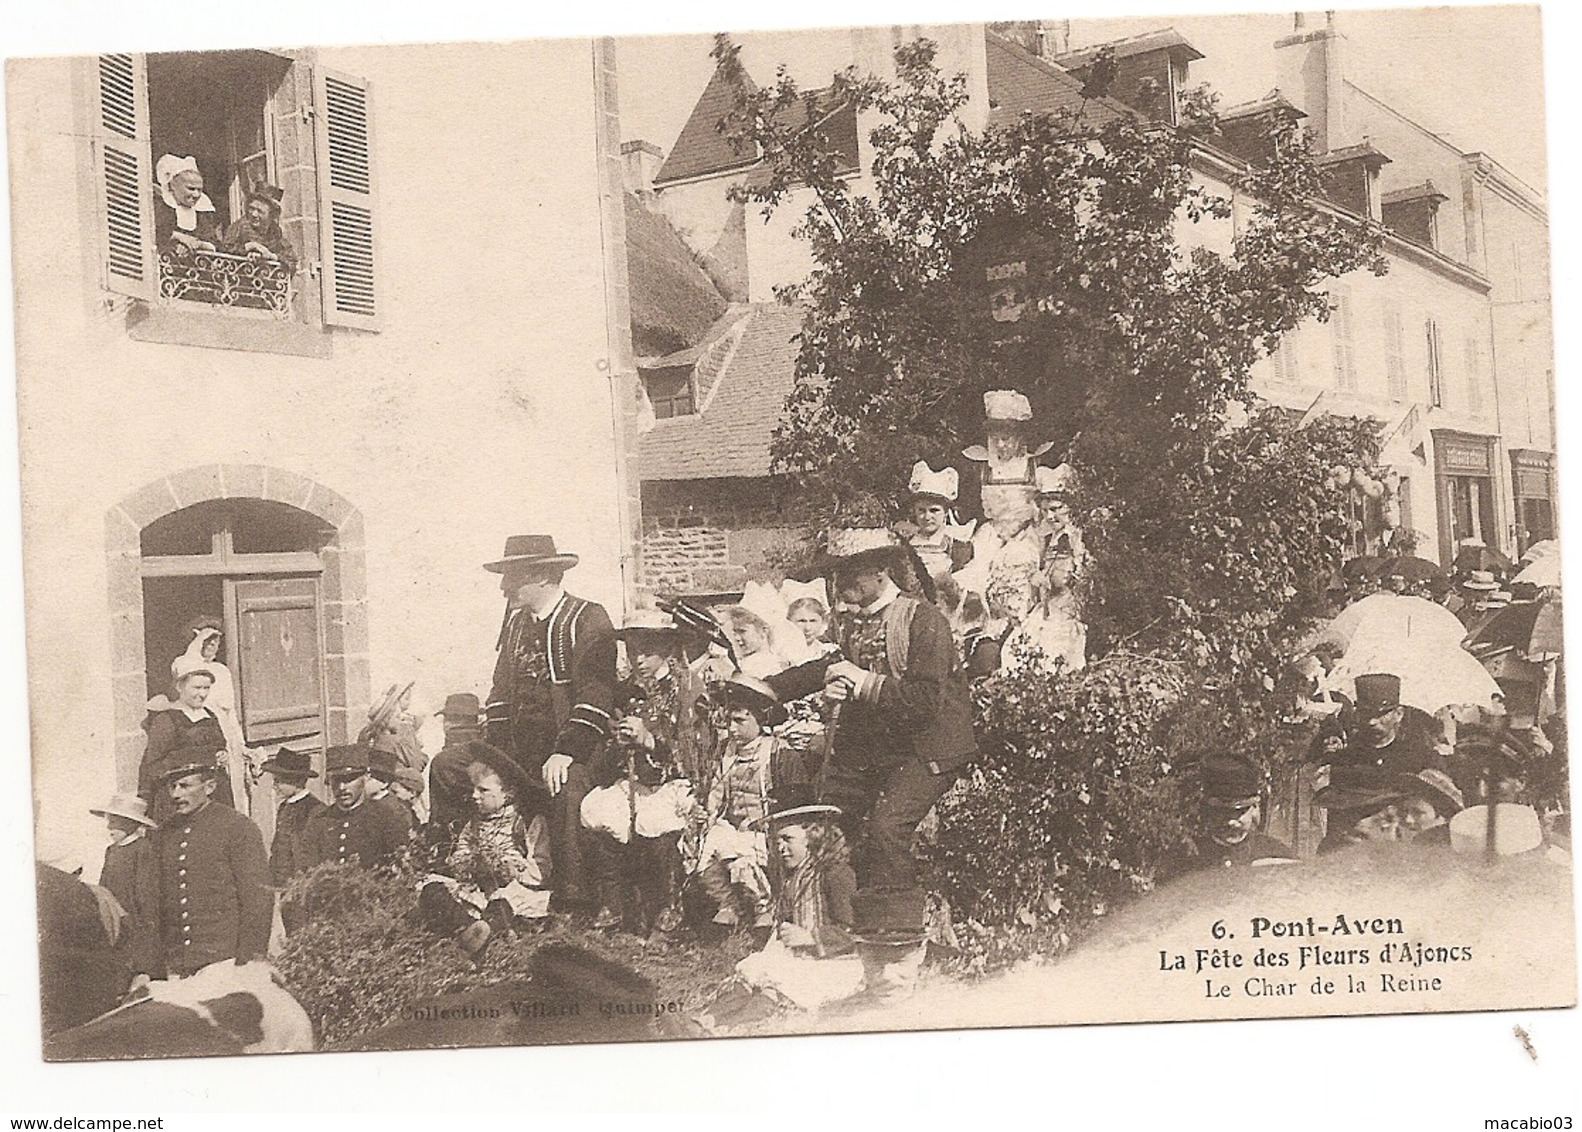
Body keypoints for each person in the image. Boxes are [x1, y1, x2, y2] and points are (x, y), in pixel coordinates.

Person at [766, 527, 976, 986]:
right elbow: (831, 665)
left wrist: (861, 683)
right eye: (838, 574)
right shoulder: (859, 623)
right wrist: (769, 690)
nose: (843, 584)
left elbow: (925, 702)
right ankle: (839, 932)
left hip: (932, 747)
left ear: (882, 570)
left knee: (886, 827)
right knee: (830, 821)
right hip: (886, 749)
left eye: (853, 573)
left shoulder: (923, 621)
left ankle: (898, 947)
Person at [483, 534, 616, 914]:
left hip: (581, 747)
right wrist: (494, 755)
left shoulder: (587, 617)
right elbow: (500, 691)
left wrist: (566, 750)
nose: (504, 585)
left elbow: (597, 692)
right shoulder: (515, 624)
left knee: (567, 786)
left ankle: (571, 899)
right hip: (521, 750)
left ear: (542, 576)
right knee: (449, 768)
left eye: (512, 576)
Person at [700, 786, 863, 1028]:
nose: (780, 848)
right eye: (776, 841)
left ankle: (730, 1028)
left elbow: (853, 931)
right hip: (799, 958)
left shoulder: (835, 874)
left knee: (774, 986)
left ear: (814, 836)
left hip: (833, 963)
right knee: (755, 973)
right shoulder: (793, 879)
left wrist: (809, 937)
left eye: (788, 839)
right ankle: (706, 1020)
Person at [693, 675, 809, 932]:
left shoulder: (779, 753)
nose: (732, 729)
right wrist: (706, 813)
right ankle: (728, 903)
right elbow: (716, 792)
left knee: (741, 851)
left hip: (766, 831)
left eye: (740, 721)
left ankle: (763, 906)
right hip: (733, 828)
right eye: (729, 721)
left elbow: (797, 802)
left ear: (760, 719)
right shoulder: (726, 751)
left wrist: (768, 818)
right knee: (700, 842)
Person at [419, 742, 553, 959]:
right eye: (473, 789)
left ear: (507, 793)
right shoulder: (473, 823)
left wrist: (510, 868)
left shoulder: (527, 823)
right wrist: (468, 863)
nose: (474, 796)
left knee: (503, 903)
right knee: (432, 889)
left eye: (483, 791)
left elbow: (541, 870)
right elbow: (459, 854)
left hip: (512, 888)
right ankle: (469, 927)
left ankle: (482, 933)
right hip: (477, 889)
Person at [149, 751, 273, 980]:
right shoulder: (163, 834)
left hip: (224, 962)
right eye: (172, 786)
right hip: (176, 965)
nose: (176, 794)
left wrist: (250, 960)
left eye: (184, 785)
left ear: (209, 787)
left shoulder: (237, 828)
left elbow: (258, 899)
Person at [140, 655, 233, 824]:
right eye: (196, 688)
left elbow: (220, 745)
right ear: (180, 687)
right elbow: (153, 765)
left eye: (206, 688)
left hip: (214, 792)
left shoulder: (210, 716)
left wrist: (222, 754)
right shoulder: (167, 719)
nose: (202, 694)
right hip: (180, 796)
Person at [173, 621, 252, 819]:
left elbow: (230, 712)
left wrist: (240, 745)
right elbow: (187, 666)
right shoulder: (183, 663)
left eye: (216, 640)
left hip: (225, 732)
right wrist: (199, 640)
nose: (212, 645)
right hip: (200, 730)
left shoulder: (221, 671)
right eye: (207, 640)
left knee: (232, 787)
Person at [300, 745, 412, 871]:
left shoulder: (385, 818)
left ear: (366, 777)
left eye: (349, 779)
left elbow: (400, 867)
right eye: (336, 780)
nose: (342, 787)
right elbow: (308, 868)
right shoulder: (319, 821)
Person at [88, 793, 161, 983]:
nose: (109, 827)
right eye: (109, 822)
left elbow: (146, 893)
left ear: (131, 824)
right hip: (114, 914)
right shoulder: (111, 851)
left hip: (135, 916)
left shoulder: (142, 849)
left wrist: (139, 919)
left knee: (136, 961)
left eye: (116, 823)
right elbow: (104, 886)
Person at [1193, 757, 1296, 870]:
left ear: (1255, 809)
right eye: (1221, 812)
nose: (1231, 822)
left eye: (1239, 812)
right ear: (1207, 810)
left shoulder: (1278, 856)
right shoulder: (1185, 859)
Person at [1328, 673, 1439, 776]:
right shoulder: (1346, 758)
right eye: (1365, 713)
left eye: (1379, 714)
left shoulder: (1420, 758)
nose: (1371, 722)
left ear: (1399, 714)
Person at [257, 747, 324, 892]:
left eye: (279, 781)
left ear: (297, 781)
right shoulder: (284, 807)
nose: (275, 786)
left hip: (303, 886)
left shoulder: (314, 809)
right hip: (283, 886)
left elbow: (310, 854)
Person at [903, 461, 974, 585]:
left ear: (945, 513)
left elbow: (963, 580)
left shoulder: (955, 544)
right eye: (921, 510)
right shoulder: (907, 542)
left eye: (934, 511)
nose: (927, 516)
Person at [427, 692, 485, 843]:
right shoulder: (486, 748)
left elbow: (439, 812)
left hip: (452, 835)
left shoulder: (444, 759)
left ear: (451, 722)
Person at [153, 154, 220, 257]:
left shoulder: (202, 212)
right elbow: (155, 233)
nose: (196, 195)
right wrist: (179, 238)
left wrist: (198, 244)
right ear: (173, 186)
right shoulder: (161, 206)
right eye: (191, 189)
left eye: (199, 190)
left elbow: (214, 243)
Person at [220, 184, 296, 271]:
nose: (254, 214)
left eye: (260, 211)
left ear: (271, 215)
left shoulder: (275, 231)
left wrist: (270, 256)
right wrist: (247, 247)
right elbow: (224, 249)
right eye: (251, 208)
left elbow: (292, 259)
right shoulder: (239, 226)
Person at [717, 605, 787, 679]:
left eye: (742, 631)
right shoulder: (745, 661)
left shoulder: (763, 663)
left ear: (764, 631)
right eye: (735, 632)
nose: (736, 638)